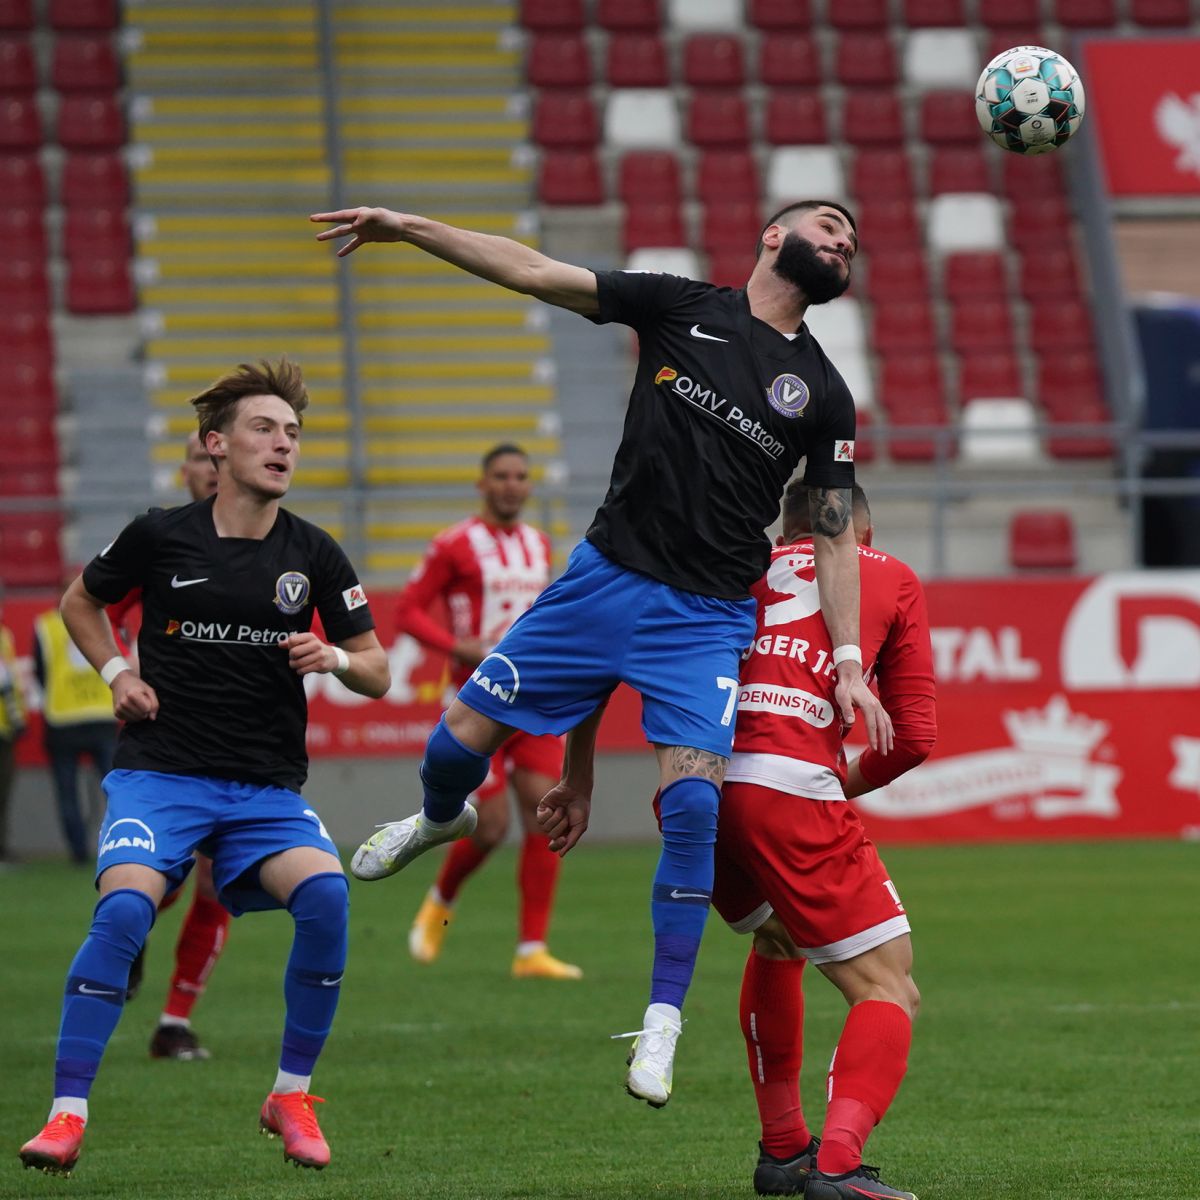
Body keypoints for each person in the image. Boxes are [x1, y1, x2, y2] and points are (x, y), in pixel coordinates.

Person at [312, 199, 893, 1106]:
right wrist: (413, 228)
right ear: (771, 234)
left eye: (852, 235)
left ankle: (660, 1023)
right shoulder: (676, 305)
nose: (845, 237)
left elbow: (830, 535)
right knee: (451, 747)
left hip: (703, 618)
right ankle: (438, 820)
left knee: (693, 805)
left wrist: (851, 657)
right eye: (828, 222)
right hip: (601, 581)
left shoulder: (822, 391)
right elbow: (532, 270)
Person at [18, 359, 390, 1177]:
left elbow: (378, 668)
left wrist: (331, 654)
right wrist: (119, 673)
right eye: (264, 428)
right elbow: (80, 601)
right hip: (163, 776)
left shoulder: (316, 554)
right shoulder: (160, 535)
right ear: (214, 446)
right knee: (122, 919)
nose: (282, 443)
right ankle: (66, 1115)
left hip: (263, 789)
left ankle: (290, 1095)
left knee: (328, 899)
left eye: (292, 433)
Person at [541, 483, 935, 1199]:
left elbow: (601, 663)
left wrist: (579, 779)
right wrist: (830, 784)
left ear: (780, 525)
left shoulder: (725, 568)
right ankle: (839, 1166)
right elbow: (915, 734)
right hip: (789, 786)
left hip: (696, 793)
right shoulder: (889, 573)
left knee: (780, 941)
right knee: (889, 987)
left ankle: (784, 1149)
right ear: (859, 530)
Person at [399, 443, 581, 980]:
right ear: (482, 483)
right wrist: (460, 647)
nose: (511, 485)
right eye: (501, 475)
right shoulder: (453, 545)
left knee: (547, 813)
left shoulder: (537, 544)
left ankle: (531, 950)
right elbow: (409, 611)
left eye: (520, 476)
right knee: (491, 826)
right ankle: (440, 899)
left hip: (533, 696)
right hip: (473, 701)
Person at [111, 431, 233, 1059]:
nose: (212, 470)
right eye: (200, 459)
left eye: (220, 459)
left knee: (219, 882)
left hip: (239, 745)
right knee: (163, 875)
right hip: (159, 737)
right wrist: (120, 671)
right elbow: (96, 604)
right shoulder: (159, 542)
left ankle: (174, 1022)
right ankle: (129, 931)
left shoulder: (272, 544)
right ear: (185, 470)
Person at [34, 600, 118, 864]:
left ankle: (78, 852)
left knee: (67, 792)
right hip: (101, 715)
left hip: (63, 720)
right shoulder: (107, 619)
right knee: (118, 789)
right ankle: (120, 845)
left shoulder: (47, 626)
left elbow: (40, 671)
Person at [0, 583, 29, 862]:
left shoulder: (4, 635)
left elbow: (10, 684)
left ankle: (2, 848)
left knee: (4, 793)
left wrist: (17, 718)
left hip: (4, 729)